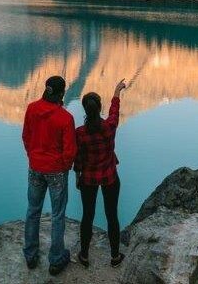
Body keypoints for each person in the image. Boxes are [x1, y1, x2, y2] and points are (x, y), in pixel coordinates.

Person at [74, 78, 132, 268]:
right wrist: (117, 90)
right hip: (109, 177)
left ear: (85, 110)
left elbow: (79, 159)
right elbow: (115, 111)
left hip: (88, 179)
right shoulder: (109, 127)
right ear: (99, 109)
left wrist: (78, 177)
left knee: (87, 216)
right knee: (112, 215)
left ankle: (84, 255)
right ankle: (115, 257)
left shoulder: (80, 133)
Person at [22, 75, 77, 275]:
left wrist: (33, 157)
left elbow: (26, 136)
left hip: (35, 168)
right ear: (61, 93)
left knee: (33, 211)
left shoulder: (31, 109)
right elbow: (70, 151)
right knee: (57, 215)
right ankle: (55, 259)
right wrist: (63, 167)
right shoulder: (65, 118)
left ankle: (30, 254)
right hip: (56, 172)